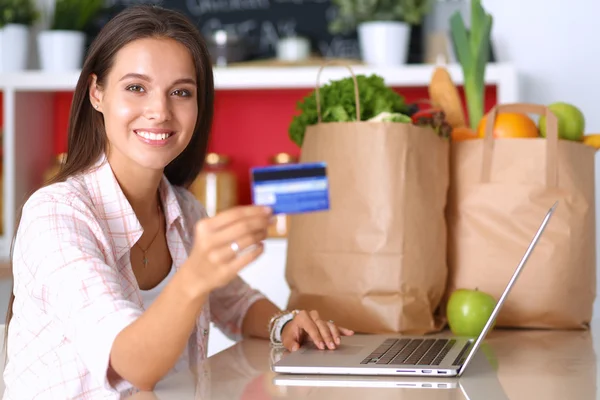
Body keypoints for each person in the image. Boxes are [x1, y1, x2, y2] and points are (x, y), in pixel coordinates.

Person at [2, 5, 353, 399]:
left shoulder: (183, 209)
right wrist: (195, 277)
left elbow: (236, 303)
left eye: (181, 92)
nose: (160, 111)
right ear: (97, 93)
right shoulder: (56, 214)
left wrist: (284, 324)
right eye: (136, 87)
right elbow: (131, 366)